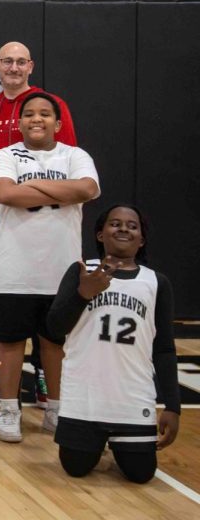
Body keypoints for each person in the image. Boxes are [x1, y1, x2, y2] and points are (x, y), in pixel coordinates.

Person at [0, 41, 77, 403]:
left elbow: (67, 167)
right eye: (7, 61)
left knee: (50, 302)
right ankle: (2, 374)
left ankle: (44, 375)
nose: (13, 67)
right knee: (5, 301)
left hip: (46, 223)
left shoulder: (50, 105)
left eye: (20, 62)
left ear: (31, 66)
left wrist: (26, 191)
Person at [0, 92, 99, 443]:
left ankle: (55, 408)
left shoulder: (75, 154)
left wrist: (31, 185)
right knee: (9, 342)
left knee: (54, 341)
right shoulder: (4, 155)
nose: (37, 119)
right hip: (13, 266)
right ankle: (8, 409)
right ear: (19, 122)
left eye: (45, 114)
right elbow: (5, 194)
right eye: (30, 114)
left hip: (61, 267)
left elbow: (88, 188)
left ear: (58, 122)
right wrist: (62, 192)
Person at [47, 205, 181, 483]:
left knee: (141, 474)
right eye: (115, 224)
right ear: (100, 234)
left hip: (132, 396)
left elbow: (165, 348)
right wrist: (83, 294)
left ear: (141, 239)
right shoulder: (82, 270)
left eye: (132, 226)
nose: (123, 229)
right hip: (84, 396)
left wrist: (172, 405)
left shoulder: (156, 282)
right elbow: (54, 328)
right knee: (75, 467)